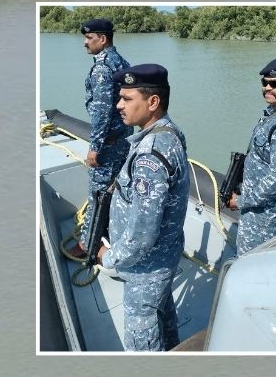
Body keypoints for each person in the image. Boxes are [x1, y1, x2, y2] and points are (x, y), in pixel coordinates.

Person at [97, 64, 190, 352]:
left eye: (127, 98)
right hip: (162, 259)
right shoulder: (169, 133)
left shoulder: (151, 154)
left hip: (146, 270)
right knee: (164, 323)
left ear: (153, 102)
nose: (118, 105)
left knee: (142, 345)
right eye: (119, 97)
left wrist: (109, 257)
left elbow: (142, 234)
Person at [227, 57, 276, 255]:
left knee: (250, 263)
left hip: (266, 217)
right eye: (265, 82)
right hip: (255, 208)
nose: (268, 88)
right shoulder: (273, 115)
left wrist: (241, 201)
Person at [70, 19, 133, 258]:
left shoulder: (102, 68)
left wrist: (94, 147)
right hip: (122, 140)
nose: (85, 43)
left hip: (106, 144)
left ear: (103, 39)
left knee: (98, 195)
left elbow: (102, 112)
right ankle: (112, 232)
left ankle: (87, 245)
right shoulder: (121, 62)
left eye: (89, 38)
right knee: (116, 191)